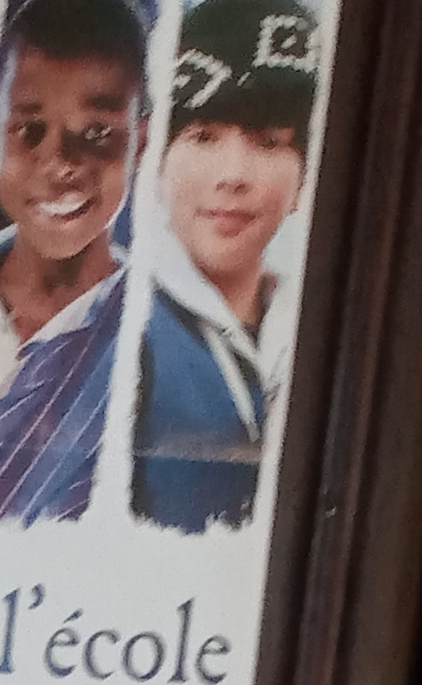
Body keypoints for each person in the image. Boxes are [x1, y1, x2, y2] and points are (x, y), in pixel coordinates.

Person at [132, 0, 317, 530]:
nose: (233, 174)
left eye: (269, 141)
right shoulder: (118, 330)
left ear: (304, 173)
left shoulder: (314, 328)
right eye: (203, 136)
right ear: (155, 157)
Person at [0, 0, 148, 521]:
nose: (61, 165)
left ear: (141, 142)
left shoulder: (158, 337)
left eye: (97, 134)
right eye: (29, 131)